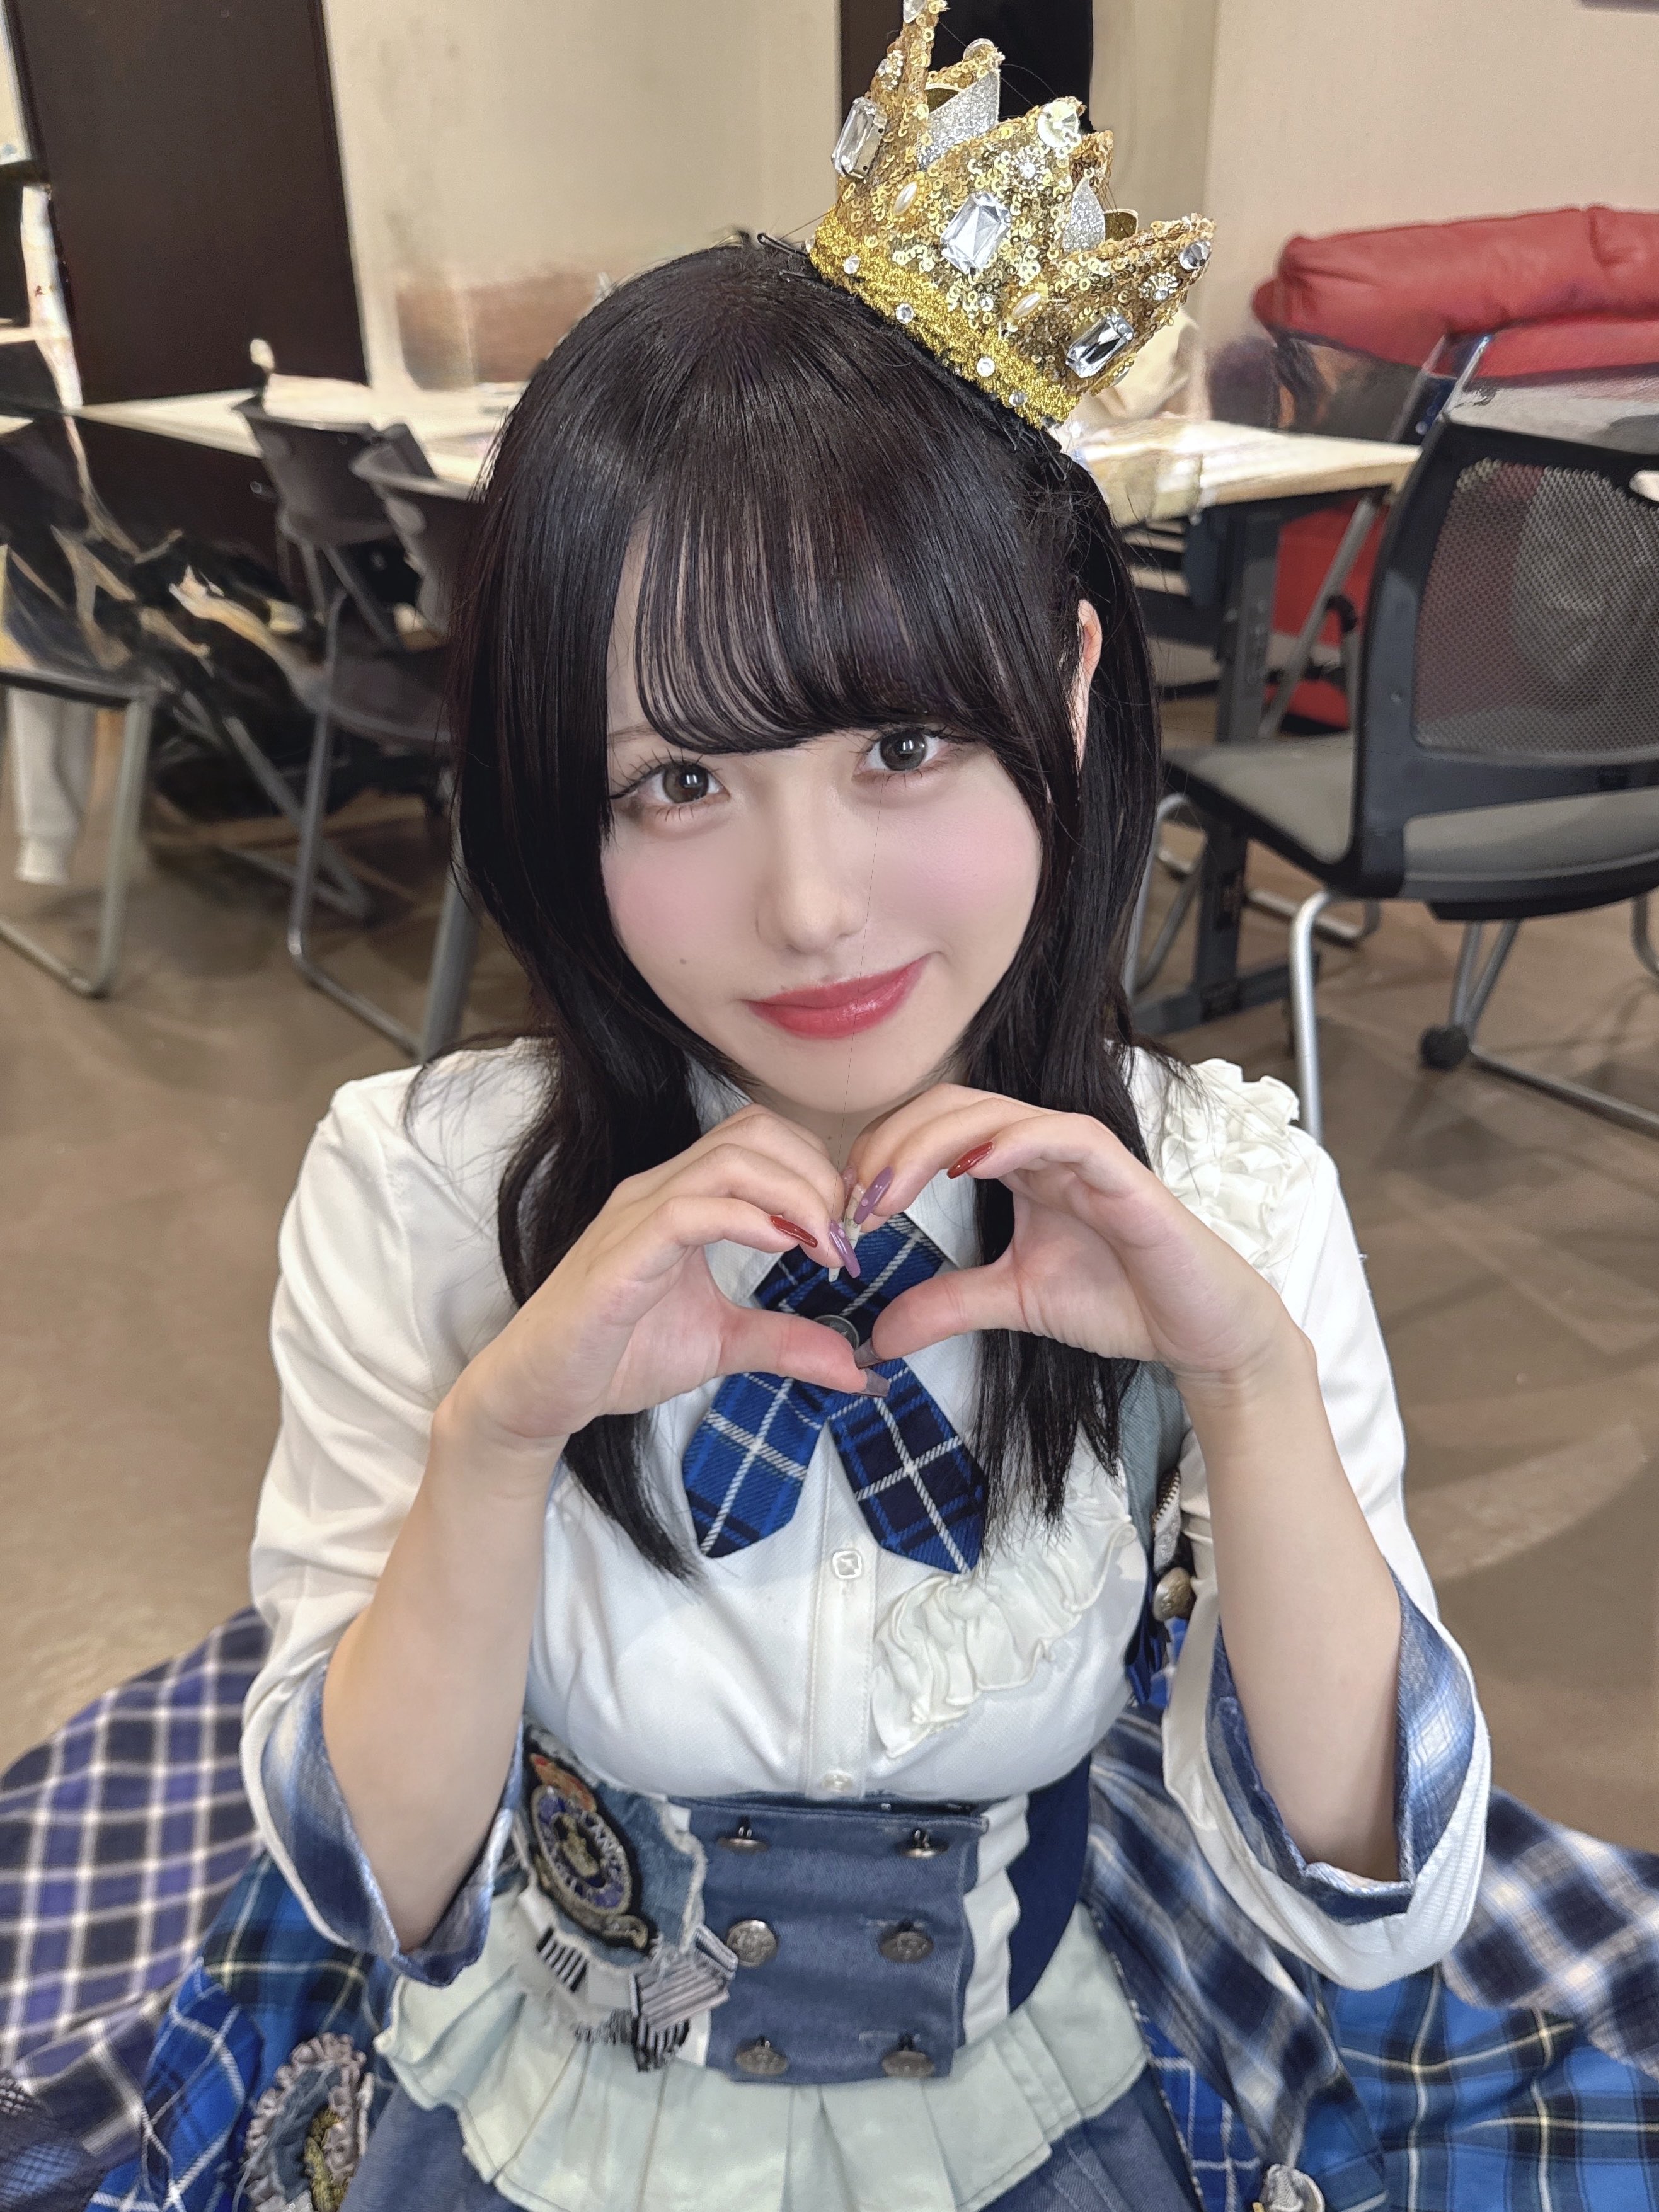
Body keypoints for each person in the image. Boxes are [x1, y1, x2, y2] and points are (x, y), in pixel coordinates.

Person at [220, 26, 1491, 2204]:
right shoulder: (420, 1192)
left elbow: (1372, 1903)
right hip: (553, 2108)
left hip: (1030, 2096)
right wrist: (500, 1442)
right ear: (559, 792)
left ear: (1065, 692)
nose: (808, 909)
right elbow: (375, 1896)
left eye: (901, 744)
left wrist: (1248, 1385)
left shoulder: (1220, 1195)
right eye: (678, 782)